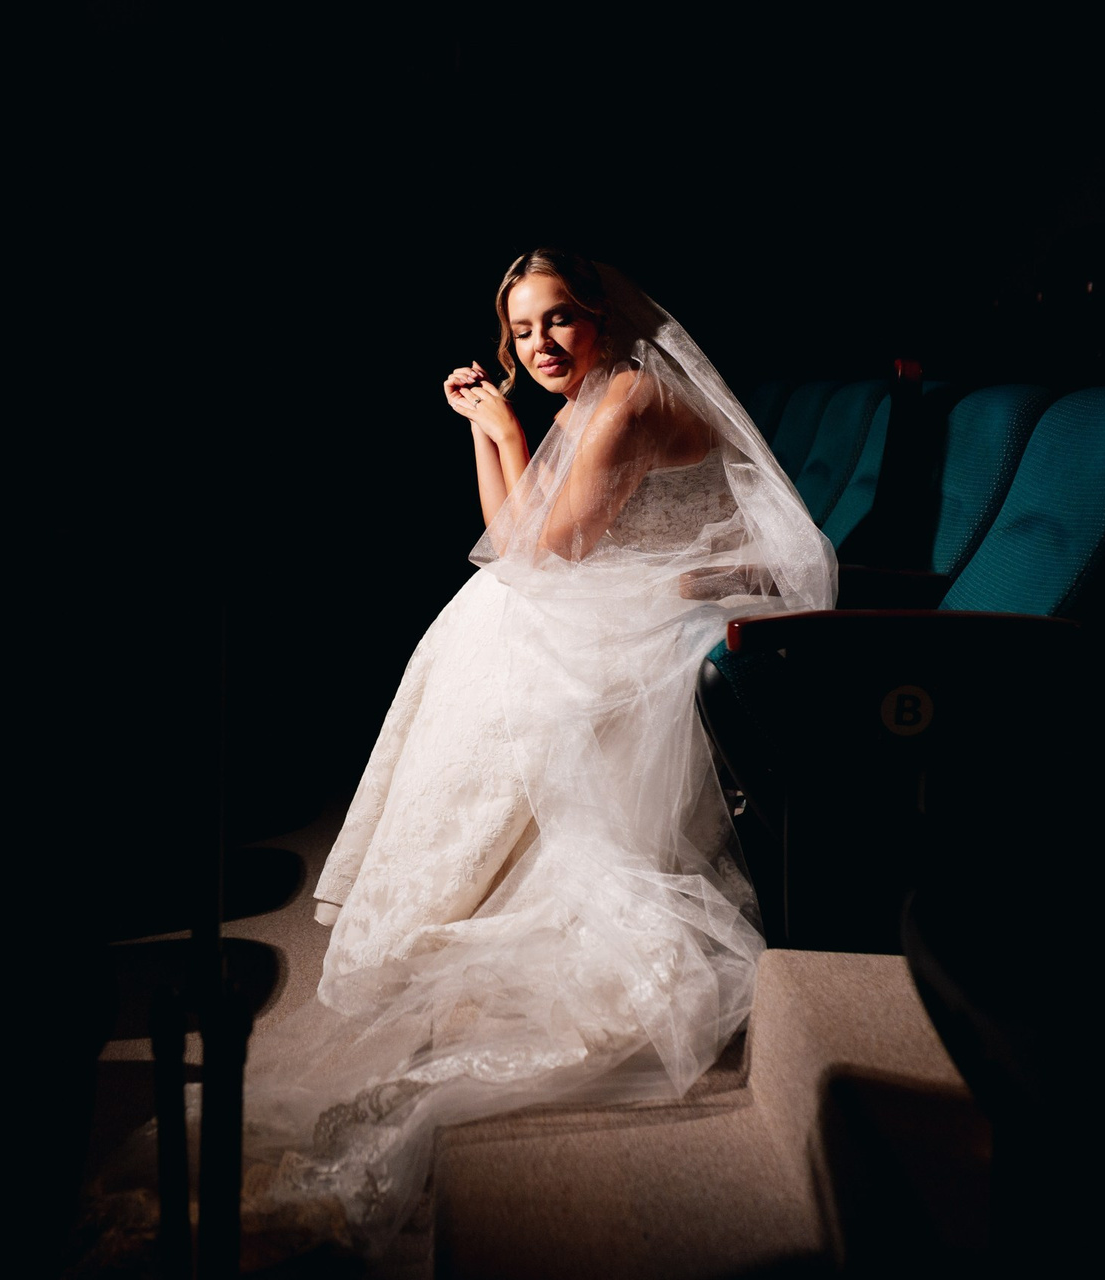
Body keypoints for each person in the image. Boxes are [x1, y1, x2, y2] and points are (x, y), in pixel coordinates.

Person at [87, 248, 837, 1269]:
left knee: (496, 628)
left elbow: (545, 555)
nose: (540, 345)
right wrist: (490, 431)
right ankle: (446, 885)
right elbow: (510, 539)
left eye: (558, 319)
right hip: (626, 595)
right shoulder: (593, 395)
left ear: (603, 314)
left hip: (677, 617)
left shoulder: (626, 399)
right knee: (489, 616)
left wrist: (506, 430)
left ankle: (449, 889)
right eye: (522, 330)